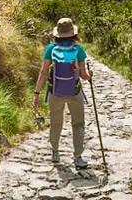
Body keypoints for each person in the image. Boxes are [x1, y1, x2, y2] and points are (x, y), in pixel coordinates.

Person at [33, 17, 93, 168]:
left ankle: (55, 152)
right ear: (73, 33)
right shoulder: (78, 49)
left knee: (56, 123)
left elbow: (43, 72)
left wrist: (36, 93)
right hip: (74, 92)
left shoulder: (51, 49)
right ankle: (78, 157)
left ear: (57, 33)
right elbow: (83, 76)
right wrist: (90, 75)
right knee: (78, 124)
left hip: (55, 92)